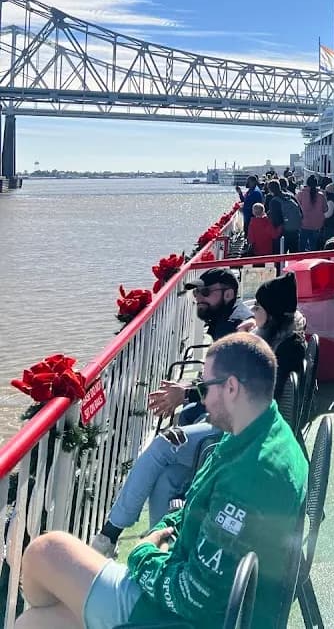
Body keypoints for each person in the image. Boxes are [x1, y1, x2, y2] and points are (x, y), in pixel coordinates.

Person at [18, 335, 308, 629]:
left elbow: (194, 596)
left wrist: (144, 553)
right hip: (217, 600)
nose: (201, 397)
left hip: (194, 619)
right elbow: (198, 510)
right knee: (35, 622)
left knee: (45, 552)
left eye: (204, 387)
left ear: (231, 387)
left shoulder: (252, 474)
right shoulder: (259, 436)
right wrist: (163, 533)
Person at [89, 270, 252, 556]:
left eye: (205, 292)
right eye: (195, 293)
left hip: (235, 429)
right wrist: (189, 392)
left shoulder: (236, 328)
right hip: (220, 420)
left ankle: (108, 535)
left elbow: (234, 385)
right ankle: (163, 553)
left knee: (164, 443)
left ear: (228, 293)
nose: (197, 298)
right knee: (166, 479)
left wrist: (186, 393)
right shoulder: (224, 321)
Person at [253, 272, 307, 394]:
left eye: (257, 306)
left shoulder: (287, 350)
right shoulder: (287, 333)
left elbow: (270, 393)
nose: (252, 310)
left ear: (271, 315)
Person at [297, 174, 326, 251]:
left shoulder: (301, 194)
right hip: (317, 225)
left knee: (302, 246)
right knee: (314, 247)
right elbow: (325, 209)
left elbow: (297, 207)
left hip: (304, 224)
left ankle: (302, 261)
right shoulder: (321, 195)